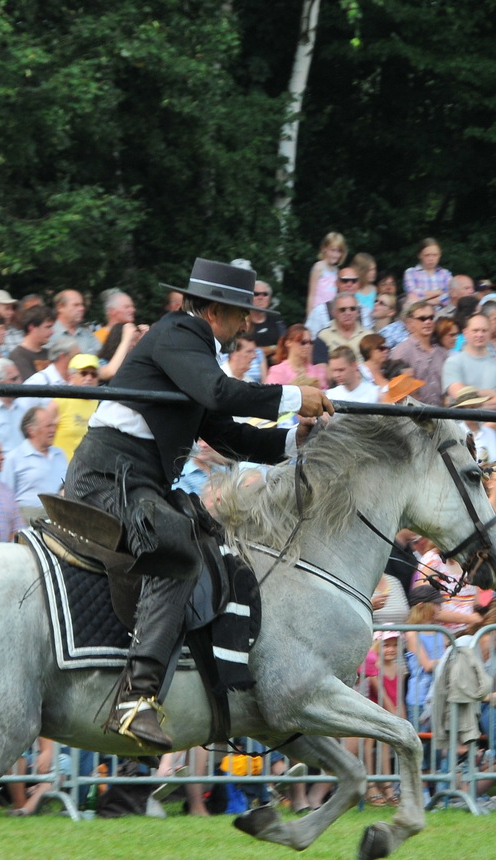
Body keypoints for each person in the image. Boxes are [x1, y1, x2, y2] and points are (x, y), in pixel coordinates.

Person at [61, 259, 331, 748]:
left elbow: (225, 434)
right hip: (108, 478)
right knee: (175, 550)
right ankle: (135, 699)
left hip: (137, 481)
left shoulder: (197, 350)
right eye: (240, 313)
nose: (249, 322)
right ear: (213, 311)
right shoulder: (178, 335)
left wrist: (297, 441)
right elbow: (219, 393)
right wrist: (295, 395)